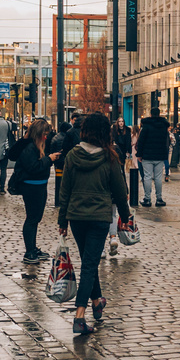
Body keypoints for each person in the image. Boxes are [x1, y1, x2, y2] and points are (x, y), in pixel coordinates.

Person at [56, 113, 131, 336]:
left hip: (77, 217)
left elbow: (65, 190)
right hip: (99, 217)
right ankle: (80, 316)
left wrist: (63, 220)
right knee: (89, 264)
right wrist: (125, 218)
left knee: (89, 261)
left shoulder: (72, 155)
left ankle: (97, 302)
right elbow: (120, 192)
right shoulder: (110, 156)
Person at [11, 119, 54, 264]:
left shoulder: (38, 145)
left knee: (36, 218)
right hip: (31, 186)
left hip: (39, 185)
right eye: (44, 134)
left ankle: (33, 248)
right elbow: (33, 167)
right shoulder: (29, 148)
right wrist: (49, 159)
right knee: (32, 218)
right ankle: (29, 251)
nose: (46, 137)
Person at [136, 109, 170, 208]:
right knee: (158, 178)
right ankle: (159, 199)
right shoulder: (164, 126)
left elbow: (141, 141)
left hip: (147, 155)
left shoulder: (146, 126)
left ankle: (147, 199)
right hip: (159, 155)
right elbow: (166, 141)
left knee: (147, 177)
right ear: (159, 114)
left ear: (150, 114)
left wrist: (139, 154)